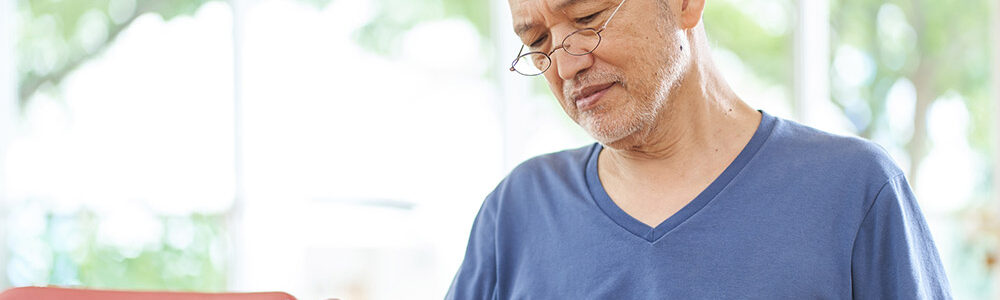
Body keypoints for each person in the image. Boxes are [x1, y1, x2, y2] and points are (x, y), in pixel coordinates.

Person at [446, 0, 952, 298]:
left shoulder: (855, 192)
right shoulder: (516, 211)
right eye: (536, 43)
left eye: (588, 16)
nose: (564, 64)